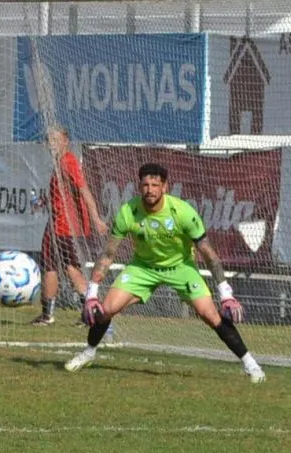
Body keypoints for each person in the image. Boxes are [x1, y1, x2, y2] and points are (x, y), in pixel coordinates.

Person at [64, 163, 266, 383]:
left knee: (211, 315)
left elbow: (209, 255)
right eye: (145, 185)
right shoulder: (128, 212)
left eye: (155, 185)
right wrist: (92, 293)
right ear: (139, 186)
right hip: (143, 268)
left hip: (181, 267)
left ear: (165, 187)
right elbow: (107, 254)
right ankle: (89, 352)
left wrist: (226, 294)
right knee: (106, 309)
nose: (150, 189)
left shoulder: (183, 212)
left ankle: (251, 364)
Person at [31, 126, 107, 326]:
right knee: (69, 267)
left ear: (66, 141)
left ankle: (49, 315)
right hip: (66, 225)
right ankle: (88, 313)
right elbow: (64, 194)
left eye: (56, 139)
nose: (52, 143)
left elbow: (84, 191)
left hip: (61, 226)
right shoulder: (61, 163)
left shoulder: (68, 162)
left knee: (52, 266)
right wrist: (44, 200)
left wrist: (96, 218)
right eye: (50, 140)